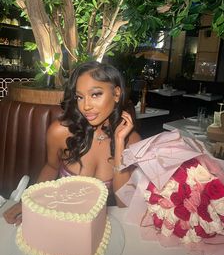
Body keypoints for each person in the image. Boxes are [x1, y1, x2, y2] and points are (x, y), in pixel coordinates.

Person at [3, 61, 141, 225]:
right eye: (80, 97)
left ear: (116, 94)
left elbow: (123, 205)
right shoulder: (60, 131)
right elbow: (51, 167)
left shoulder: (132, 141)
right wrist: (28, 203)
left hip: (101, 226)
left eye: (95, 94)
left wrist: (119, 145)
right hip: (60, 219)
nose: (86, 106)